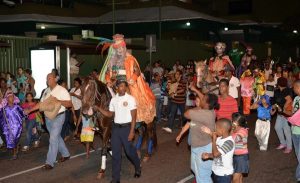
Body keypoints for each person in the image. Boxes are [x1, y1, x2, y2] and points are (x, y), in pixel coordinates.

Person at [94, 79, 141, 183]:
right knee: (116, 154)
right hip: (116, 129)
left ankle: (138, 166)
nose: (122, 88)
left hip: (127, 128)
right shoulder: (113, 100)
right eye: (120, 86)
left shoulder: (130, 99)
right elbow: (110, 114)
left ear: (126, 87)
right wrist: (99, 109)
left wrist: (132, 131)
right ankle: (116, 179)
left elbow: (134, 117)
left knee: (129, 152)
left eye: (124, 86)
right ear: (117, 88)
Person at [25, 73, 72, 169]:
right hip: (48, 118)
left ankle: (49, 162)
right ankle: (66, 154)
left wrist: (58, 100)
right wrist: (30, 110)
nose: (48, 80)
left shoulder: (62, 90)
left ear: (55, 79)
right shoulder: (46, 91)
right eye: (47, 79)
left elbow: (69, 104)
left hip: (59, 117)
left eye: (50, 78)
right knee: (56, 137)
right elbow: (41, 104)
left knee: (53, 138)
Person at [176, 93, 220, 183]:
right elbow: (190, 123)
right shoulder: (202, 112)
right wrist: (180, 134)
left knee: (203, 176)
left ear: (207, 104)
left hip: (204, 148)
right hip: (196, 147)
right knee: (195, 169)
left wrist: (198, 107)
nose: (201, 100)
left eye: (203, 99)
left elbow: (186, 113)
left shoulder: (205, 114)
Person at [202, 118, 235, 183]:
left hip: (224, 175)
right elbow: (217, 155)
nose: (215, 130)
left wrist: (213, 140)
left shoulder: (229, 142)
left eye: (216, 128)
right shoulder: (220, 139)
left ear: (222, 130)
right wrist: (208, 155)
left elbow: (216, 154)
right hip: (216, 172)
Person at [0, 92, 25, 160]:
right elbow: (1, 117)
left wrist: (26, 112)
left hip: (17, 126)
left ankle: (14, 153)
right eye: (9, 97)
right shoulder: (4, 108)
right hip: (8, 127)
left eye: (12, 97)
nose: (11, 98)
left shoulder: (17, 107)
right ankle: (15, 149)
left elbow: (23, 113)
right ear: (7, 99)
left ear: (14, 98)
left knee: (14, 139)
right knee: (11, 139)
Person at [273, 77, 293, 153]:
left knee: (286, 130)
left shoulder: (287, 90)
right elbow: (275, 101)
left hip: (286, 113)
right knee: (277, 127)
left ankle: (289, 146)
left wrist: (283, 108)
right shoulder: (277, 91)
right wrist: (274, 108)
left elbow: (289, 100)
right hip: (280, 113)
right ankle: (283, 143)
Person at [231, 113, 249, 183]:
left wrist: (232, 130)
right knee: (239, 178)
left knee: (235, 179)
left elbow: (233, 138)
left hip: (241, 157)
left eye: (233, 121)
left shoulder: (243, 131)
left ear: (238, 123)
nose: (232, 122)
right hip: (236, 156)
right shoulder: (237, 130)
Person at [290, 80, 300, 182]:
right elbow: (293, 112)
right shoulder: (296, 98)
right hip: (294, 130)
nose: (293, 89)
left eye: (294, 87)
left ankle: (298, 175)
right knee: (298, 154)